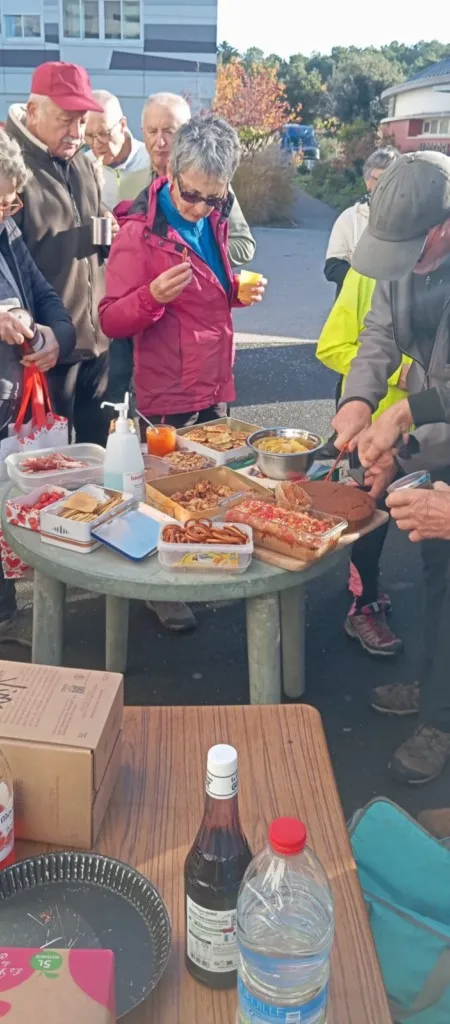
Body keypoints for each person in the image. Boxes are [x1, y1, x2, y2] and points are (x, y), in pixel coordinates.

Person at [98, 116, 266, 631]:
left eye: (214, 198)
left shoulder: (215, 218)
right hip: (164, 388)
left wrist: (233, 291)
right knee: (162, 492)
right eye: (191, 195)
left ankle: (199, 559)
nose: (199, 207)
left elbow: (205, 293)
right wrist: (151, 296)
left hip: (211, 378)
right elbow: (110, 319)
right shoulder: (139, 234)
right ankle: (159, 587)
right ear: (171, 172)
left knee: (211, 487)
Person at [332, 150, 450, 785]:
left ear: (441, 228)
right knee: (437, 575)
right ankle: (436, 685)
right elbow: (378, 334)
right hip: (438, 437)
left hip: (433, 417)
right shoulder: (403, 262)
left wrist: (404, 416)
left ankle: (443, 721)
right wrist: (359, 401)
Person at [6, 61, 117, 447]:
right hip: (43, 352)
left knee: (98, 454)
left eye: (82, 121)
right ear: (33, 110)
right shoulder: (11, 168)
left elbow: (90, 225)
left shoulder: (83, 162)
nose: (76, 133)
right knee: (48, 466)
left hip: (96, 345)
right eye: (65, 120)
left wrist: (107, 230)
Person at [0, 129, 75, 640]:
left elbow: (46, 297)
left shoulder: (6, 230)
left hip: (11, 404)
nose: (6, 214)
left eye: (10, 203)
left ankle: (4, 612)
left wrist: (55, 337)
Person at [317, 266, 410, 655]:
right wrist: (401, 374)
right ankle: (364, 604)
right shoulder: (370, 270)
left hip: (431, 429)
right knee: (369, 519)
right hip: (373, 430)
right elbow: (332, 346)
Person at [324, 147, 399, 297]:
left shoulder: (412, 219)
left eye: (393, 180)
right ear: (368, 182)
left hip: (399, 305)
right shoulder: (349, 218)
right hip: (357, 303)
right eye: (381, 179)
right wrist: (369, 283)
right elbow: (332, 267)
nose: (387, 186)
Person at [85, 90, 150, 210]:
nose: (96, 144)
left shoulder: (150, 161)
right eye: (89, 136)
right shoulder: (83, 165)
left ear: (122, 125)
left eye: (103, 134)